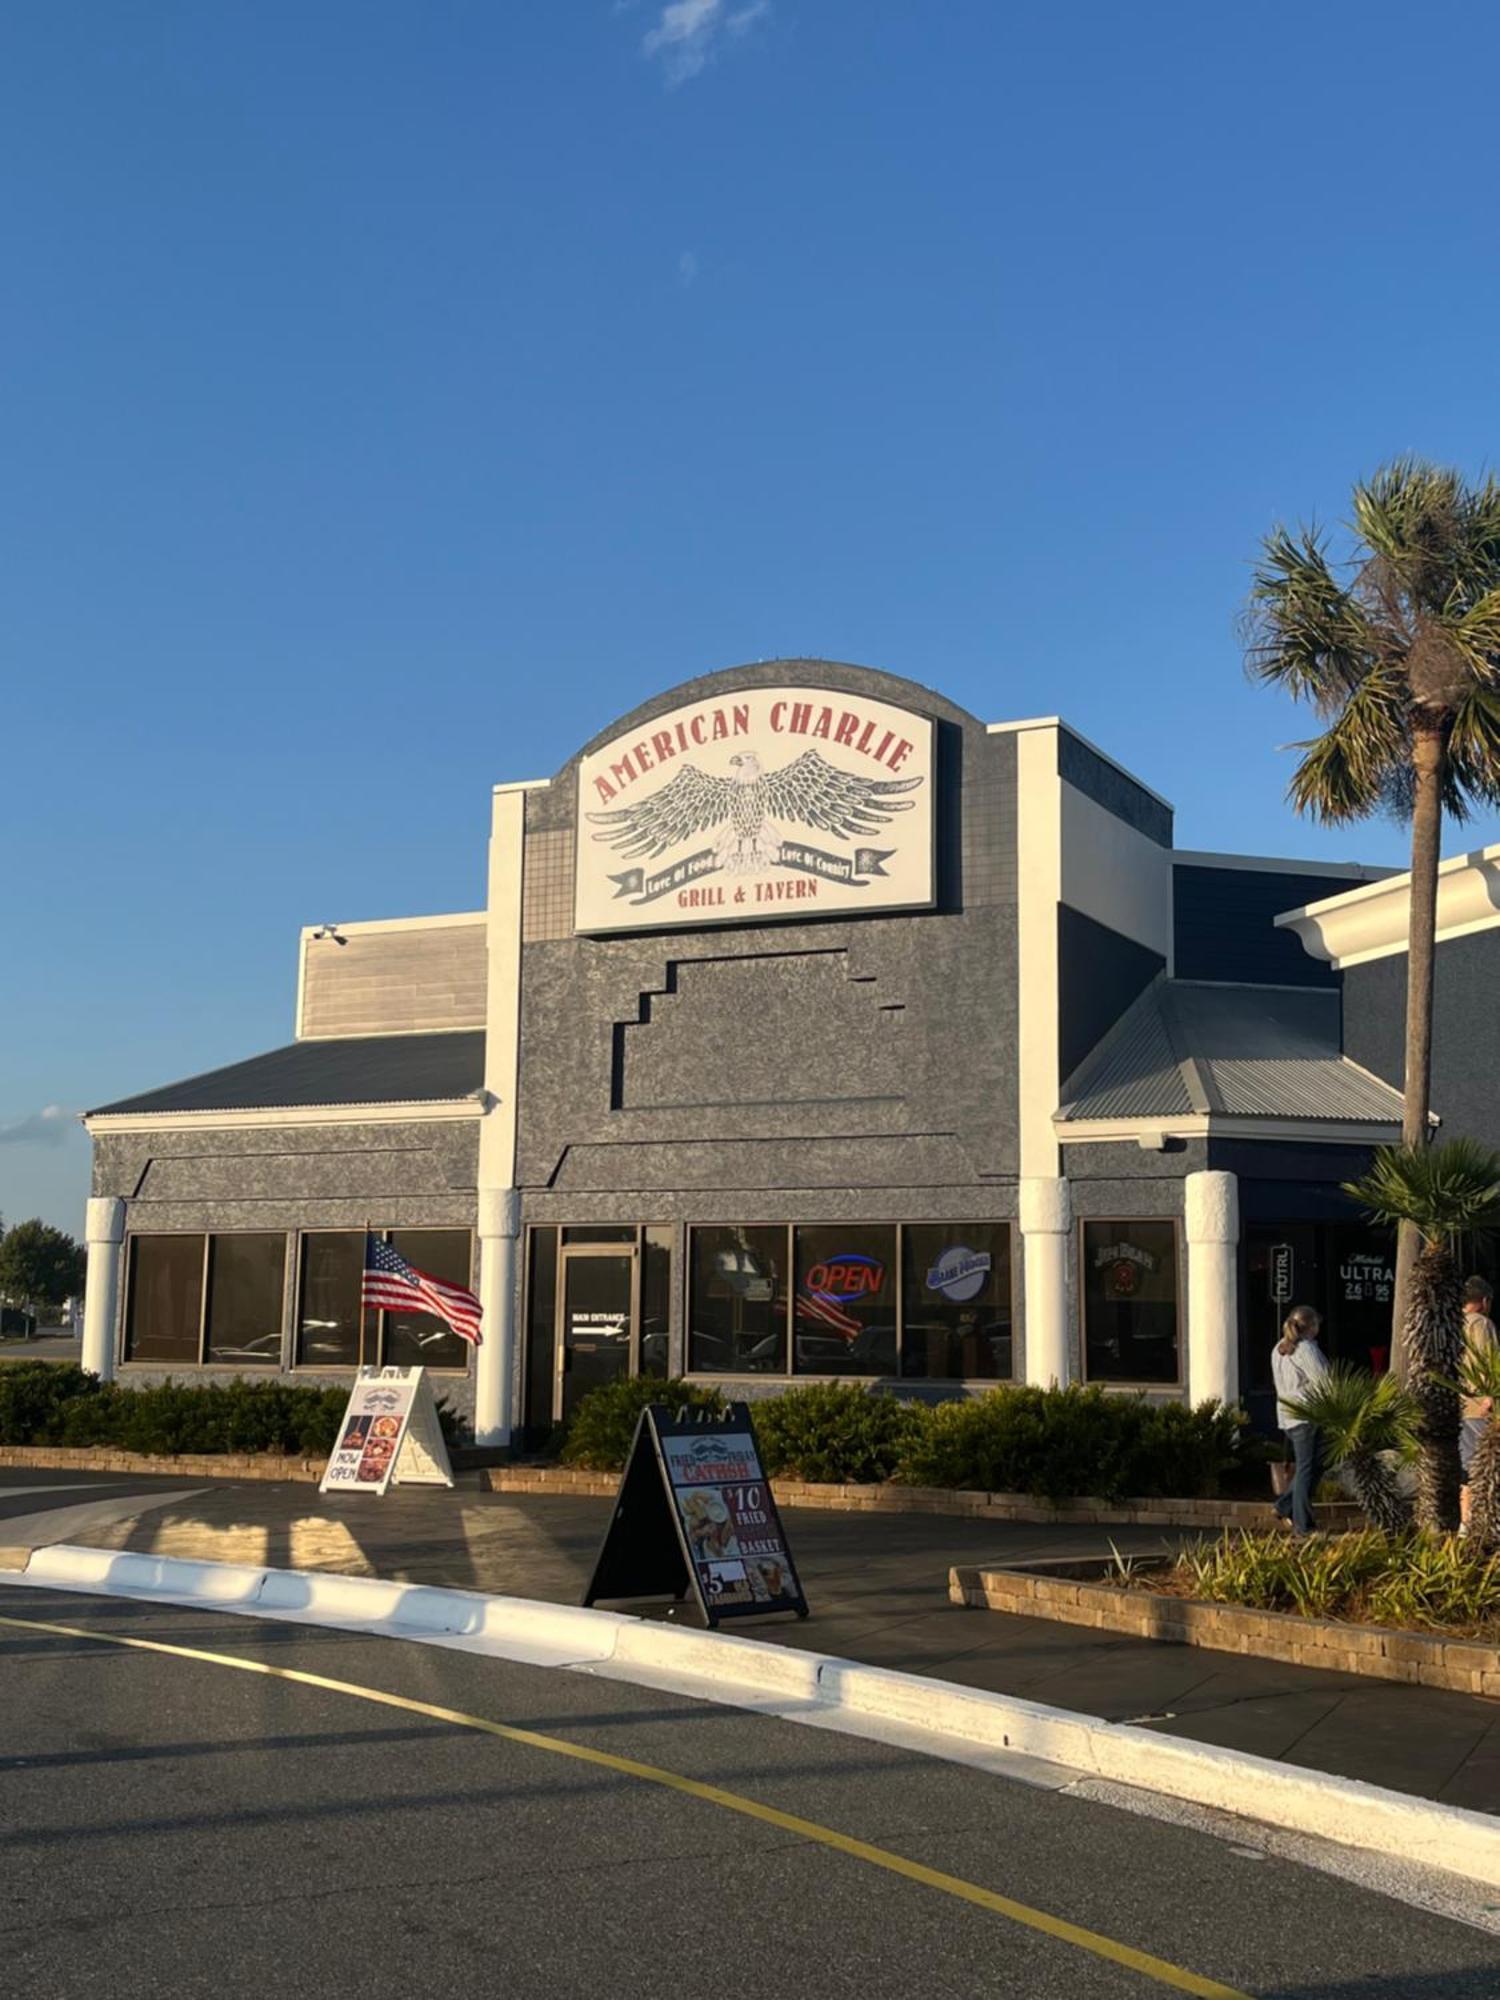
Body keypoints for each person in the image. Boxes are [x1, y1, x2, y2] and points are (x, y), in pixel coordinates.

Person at [1272, 1304, 1329, 1536]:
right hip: (1307, 1415)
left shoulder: (1278, 1349)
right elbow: (1325, 1382)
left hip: (1288, 1415)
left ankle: (1284, 1505)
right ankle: (1303, 1526)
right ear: (1311, 1326)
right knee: (1308, 1468)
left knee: (1311, 1465)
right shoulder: (1306, 1349)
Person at [1459, 1277, 1497, 1530]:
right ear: (1484, 1301)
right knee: (1485, 1465)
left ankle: (1465, 1522)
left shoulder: (1451, 1325)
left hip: (1458, 1403)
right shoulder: (1481, 1324)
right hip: (1479, 1405)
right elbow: (1487, 1360)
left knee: (1466, 1465)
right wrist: (1490, 1395)